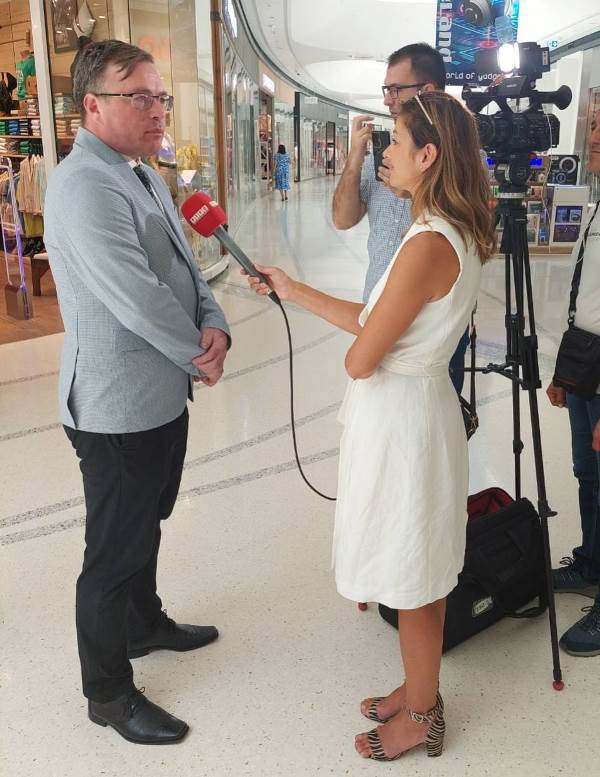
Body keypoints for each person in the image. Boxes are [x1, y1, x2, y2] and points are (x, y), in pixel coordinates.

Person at [245, 91, 495, 760]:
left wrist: (362, 349)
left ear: (428, 155)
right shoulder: (446, 228)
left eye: (396, 141)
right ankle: (419, 685)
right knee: (420, 563)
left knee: (413, 576)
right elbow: (373, 318)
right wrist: (294, 289)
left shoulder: (427, 243)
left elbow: (362, 356)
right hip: (417, 409)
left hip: (403, 422)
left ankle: (422, 714)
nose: (385, 153)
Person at [44, 40, 231, 745]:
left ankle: (144, 623)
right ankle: (108, 693)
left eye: (161, 97)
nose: (158, 111)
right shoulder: (84, 186)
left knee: (147, 522)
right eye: (140, 98)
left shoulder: (144, 172)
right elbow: (136, 295)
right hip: (116, 404)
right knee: (113, 552)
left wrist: (216, 325)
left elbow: (187, 264)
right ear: (92, 105)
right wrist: (197, 352)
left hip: (160, 393)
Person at [332, 43, 471, 394]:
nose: (387, 100)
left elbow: (356, 365)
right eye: (386, 89)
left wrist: (415, 197)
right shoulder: (382, 157)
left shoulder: (457, 173)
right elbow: (342, 220)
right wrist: (354, 158)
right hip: (375, 310)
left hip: (428, 330)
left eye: (395, 89)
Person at [546, 111, 600, 656]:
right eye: (594, 125)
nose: (594, 136)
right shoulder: (596, 202)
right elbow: (585, 296)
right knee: (588, 472)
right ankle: (591, 561)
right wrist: (565, 371)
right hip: (586, 360)